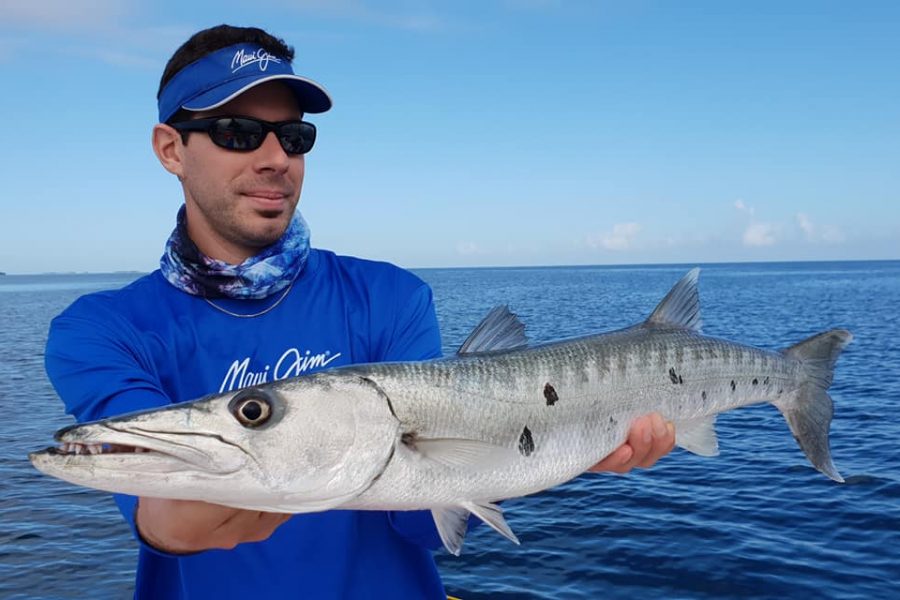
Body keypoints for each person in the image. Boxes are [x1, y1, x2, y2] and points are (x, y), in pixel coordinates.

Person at [44, 24, 676, 600]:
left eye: (294, 137)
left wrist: (550, 451)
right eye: (236, 132)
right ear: (171, 149)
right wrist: (174, 518)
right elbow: (155, 507)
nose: (275, 159)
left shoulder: (391, 297)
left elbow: (420, 521)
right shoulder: (99, 331)